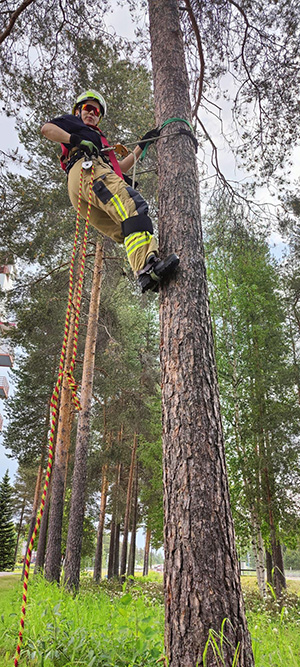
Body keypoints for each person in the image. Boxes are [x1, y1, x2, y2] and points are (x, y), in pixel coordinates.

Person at [41, 89, 179, 292]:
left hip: (86, 181)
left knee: (127, 226)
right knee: (133, 205)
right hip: (86, 170)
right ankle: (145, 266)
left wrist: (142, 145)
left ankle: (147, 273)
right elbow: (47, 129)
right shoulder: (75, 125)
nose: (92, 113)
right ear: (78, 110)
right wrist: (75, 140)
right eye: (88, 108)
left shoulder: (97, 140)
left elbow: (120, 168)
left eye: (97, 112)